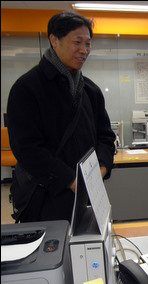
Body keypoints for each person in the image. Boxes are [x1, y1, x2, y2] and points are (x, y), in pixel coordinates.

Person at [7, 11, 115, 223]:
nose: (84, 50)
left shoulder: (90, 90)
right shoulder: (27, 88)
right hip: (45, 196)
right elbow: (26, 148)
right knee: (51, 254)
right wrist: (70, 179)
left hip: (88, 193)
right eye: (77, 42)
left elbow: (105, 135)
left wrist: (102, 167)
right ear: (54, 40)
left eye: (88, 44)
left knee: (89, 248)